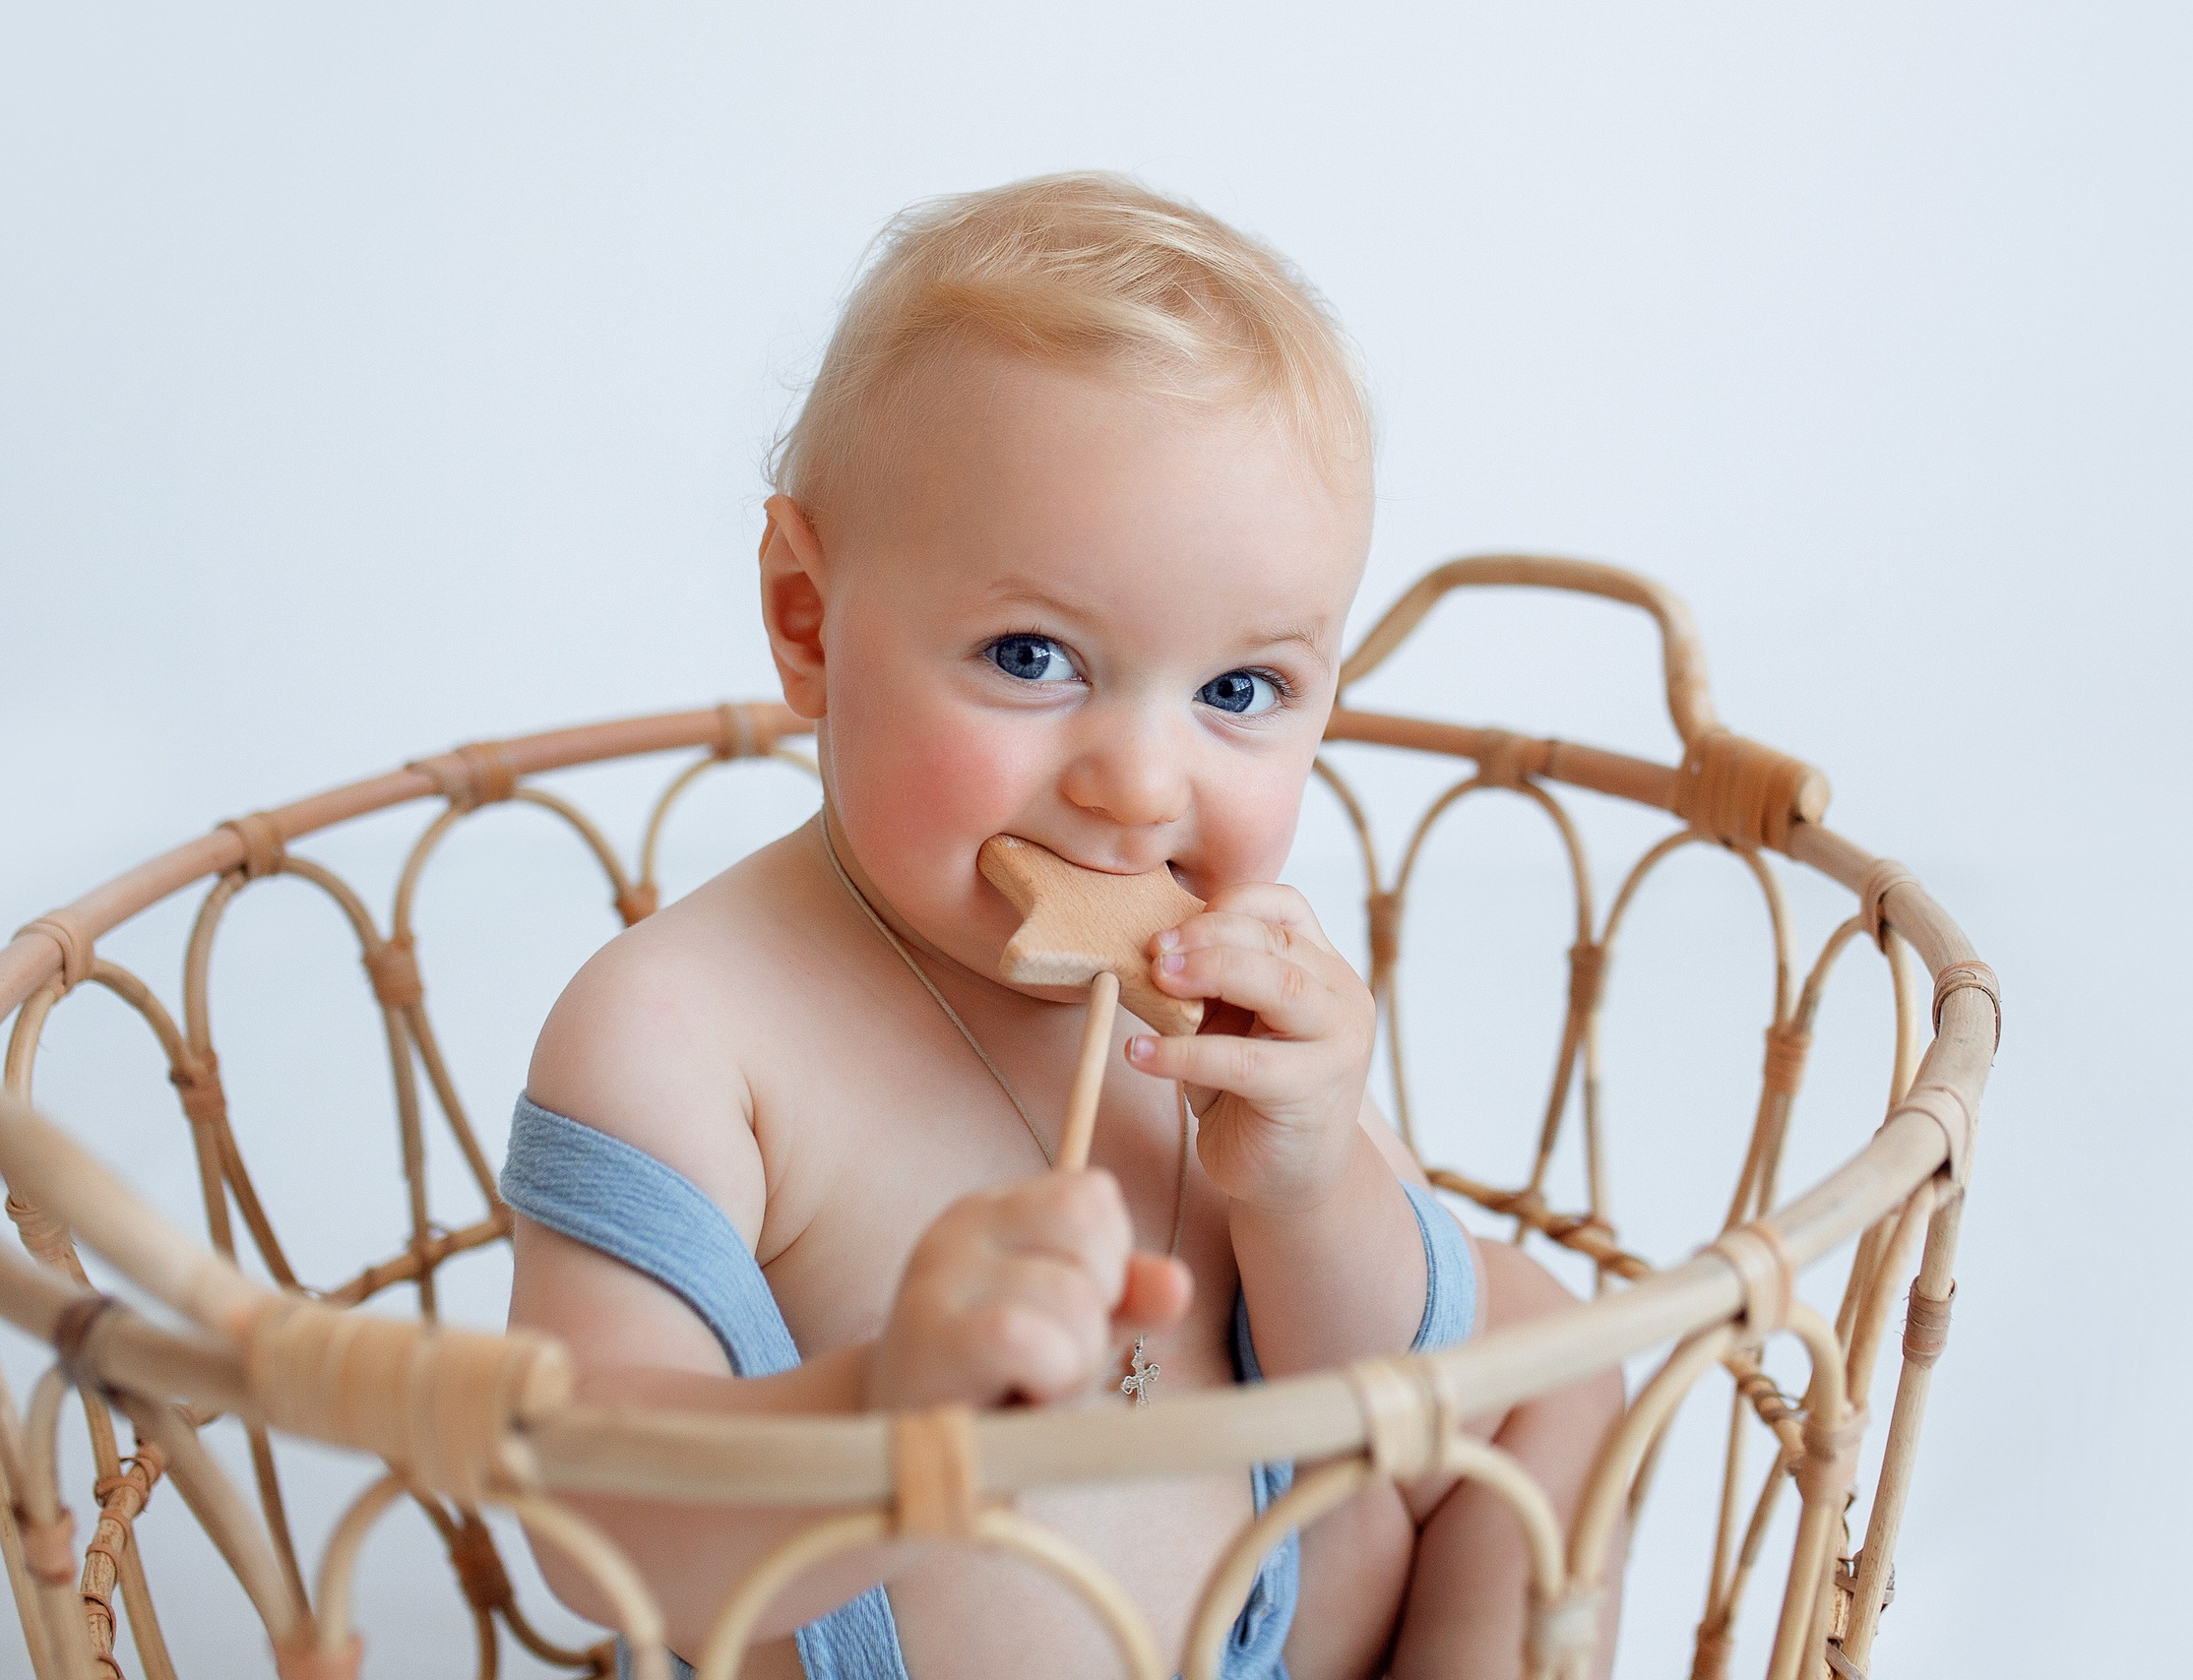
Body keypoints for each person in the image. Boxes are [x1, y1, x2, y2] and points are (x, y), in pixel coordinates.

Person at [504, 172, 1624, 1680]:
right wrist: (893, 1416)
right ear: (808, 621)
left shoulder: (1230, 991)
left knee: (1544, 1354)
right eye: (1032, 657)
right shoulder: (685, 1026)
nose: (1143, 786)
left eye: (1240, 691)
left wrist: (1312, 1183)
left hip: (1287, 1624)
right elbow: (590, 1516)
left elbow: (1389, 1395)